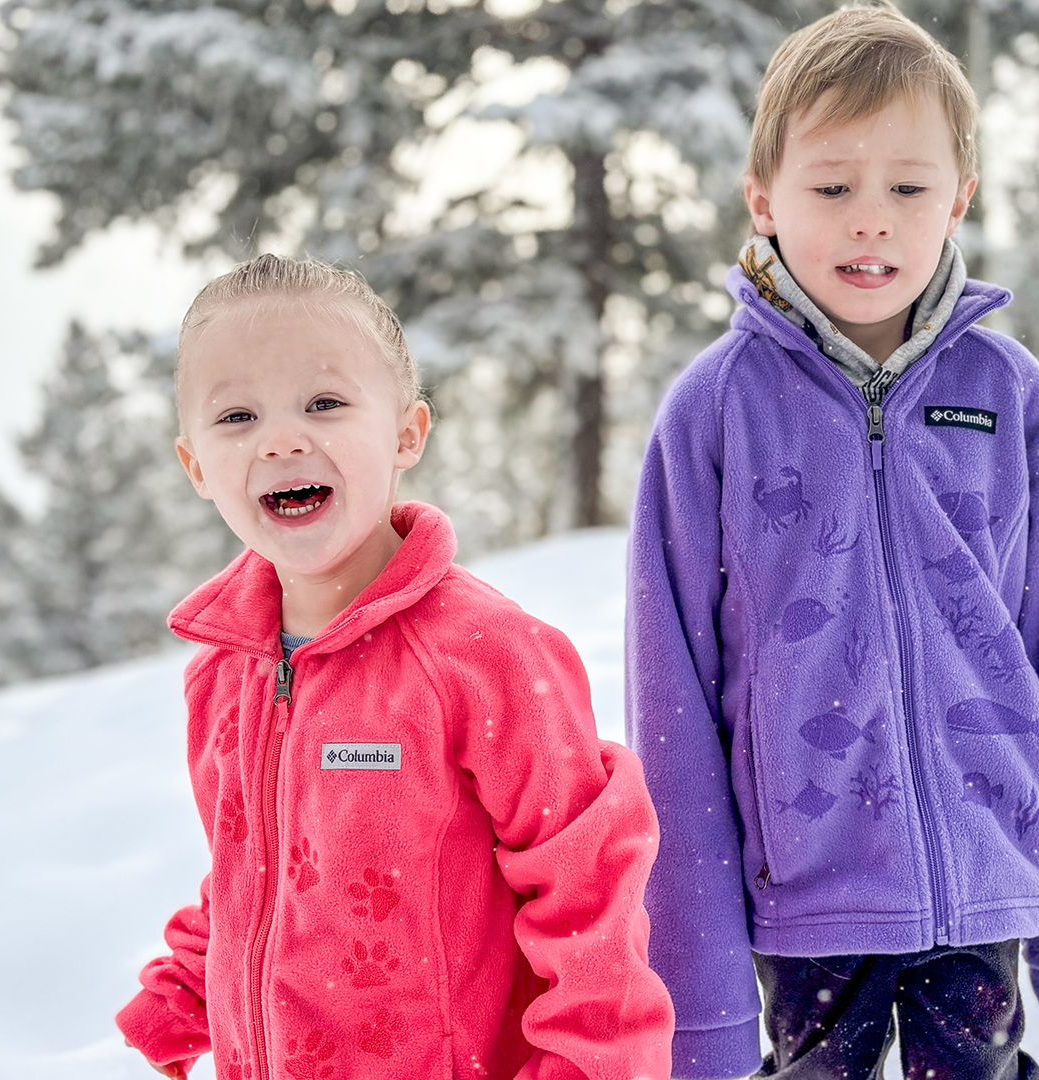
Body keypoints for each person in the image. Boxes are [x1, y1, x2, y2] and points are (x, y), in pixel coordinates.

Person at [625, 7, 1039, 1079]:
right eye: (831, 187)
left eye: (908, 189)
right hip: (808, 896)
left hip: (984, 876)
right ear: (763, 199)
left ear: (959, 199)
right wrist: (698, 988)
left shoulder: (1005, 398)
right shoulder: (715, 411)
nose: (872, 222)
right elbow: (669, 701)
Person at [118, 253, 675, 1080]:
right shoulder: (223, 676)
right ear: (195, 465)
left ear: (407, 433)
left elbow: (589, 896)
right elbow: (256, 871)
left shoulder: (485, 656)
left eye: (325, 403)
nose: (281, 439)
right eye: (236, 417)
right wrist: (185, 989)